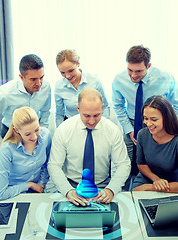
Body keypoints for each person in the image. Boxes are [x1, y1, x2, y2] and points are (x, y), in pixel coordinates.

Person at [48, 88, 130, 206]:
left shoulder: (112, 130)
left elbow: (123, 164)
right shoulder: (64, 129)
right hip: (71, 186)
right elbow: (54, 165)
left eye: (96, 115)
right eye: (86, 115)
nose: (91, 121)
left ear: (102, 108)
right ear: (78, 109)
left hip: (102, 186)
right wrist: (67, 191)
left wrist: (111, 189)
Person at [112, 45, 178, 181]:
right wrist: (129, 130)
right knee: (127, 162)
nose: (133, 75)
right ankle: (128, 190)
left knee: (159, 161)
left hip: (160, 124)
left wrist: (167, 126)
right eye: (130, 70)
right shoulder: (119, 80)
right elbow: (118, 106)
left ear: (149, 66)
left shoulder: (165, 78)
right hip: (131, 122)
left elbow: (175, 105)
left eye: (139, 71)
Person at [0, 54, 51, 152]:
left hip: (34, 133)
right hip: (11, 134)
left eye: (41, 77)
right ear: (21, 77)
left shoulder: (46, 86)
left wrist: (41, 133)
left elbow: (46, 111)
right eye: (33, 79)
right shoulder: (5, 92)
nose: (39, 83)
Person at [0, 106, 52, 200]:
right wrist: (29, 185)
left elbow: (47, 165)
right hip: (13, 194)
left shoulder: (45, 135)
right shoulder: (7, 148)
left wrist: (40, 185)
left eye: (37, 130)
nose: (34, 137)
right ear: (16, 130)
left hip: (37, 192)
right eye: (27, 134)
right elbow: (0, 194)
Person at [132, 95, 178, 192]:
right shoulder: (142, 134)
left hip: (173, 184)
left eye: (154, 119)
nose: (148, 123)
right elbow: (141, 164)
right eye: (146, 118)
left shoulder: (176, 140)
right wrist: (156, 179)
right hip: (147, 178)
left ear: (166, 118)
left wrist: (151, 187)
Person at [54, 49, 110, 127]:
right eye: (62, 72)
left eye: (71, 70)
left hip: (94, 123)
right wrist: (60, 131)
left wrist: (102, 127)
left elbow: (105, 107)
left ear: (78, 64)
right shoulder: (59, 86)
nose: (67, 76)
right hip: (71, 125)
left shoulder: (94, 81)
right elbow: (59, 114)